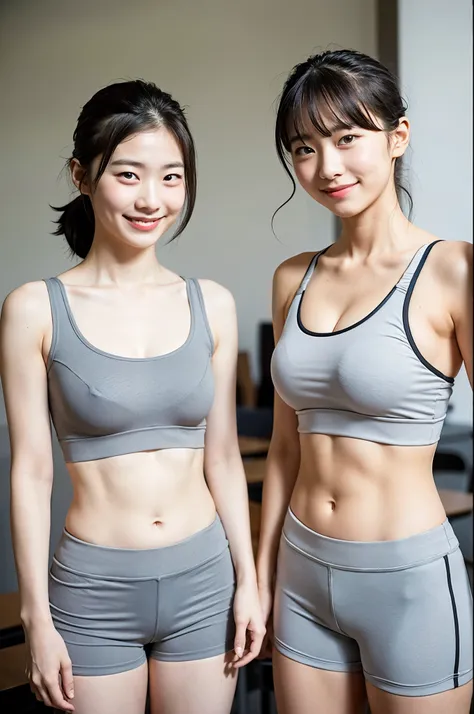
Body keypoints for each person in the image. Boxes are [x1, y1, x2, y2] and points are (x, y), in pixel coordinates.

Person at [0, 79, 264, 714]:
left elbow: (223, 457)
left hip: (205, 580)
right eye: (128, 174)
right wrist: (37, 616)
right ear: (82, 177)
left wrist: (249, 581)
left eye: (172, 177)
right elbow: (32, 471)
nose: (153, 199)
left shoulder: (213, 304)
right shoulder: (35, 308)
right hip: (92, 592)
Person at [257, 49, 473, 714]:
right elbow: (285, 446)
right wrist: (263, 578)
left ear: (396, 137)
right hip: (300, 574)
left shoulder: (453, 271)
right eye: (304, 147)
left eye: (348, 138)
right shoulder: (294, 277)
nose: (327, 167)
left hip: (408, 583)